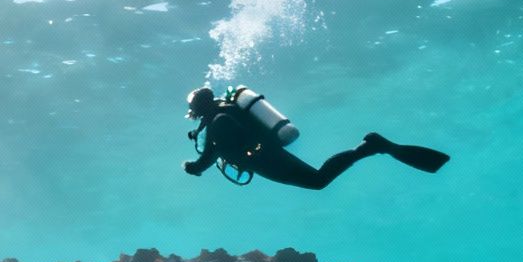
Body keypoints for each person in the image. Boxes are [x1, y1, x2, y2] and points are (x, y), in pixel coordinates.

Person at [183, 85, 449, 189]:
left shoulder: (218, 120)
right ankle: (369, 148)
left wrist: (195, 167)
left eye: (193, 111)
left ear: (198, 109)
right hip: (265, 156)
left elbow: (213, 152)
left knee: (318, 180)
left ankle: (370, 147)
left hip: (265, 159)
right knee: (318, 180)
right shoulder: (224, 114)